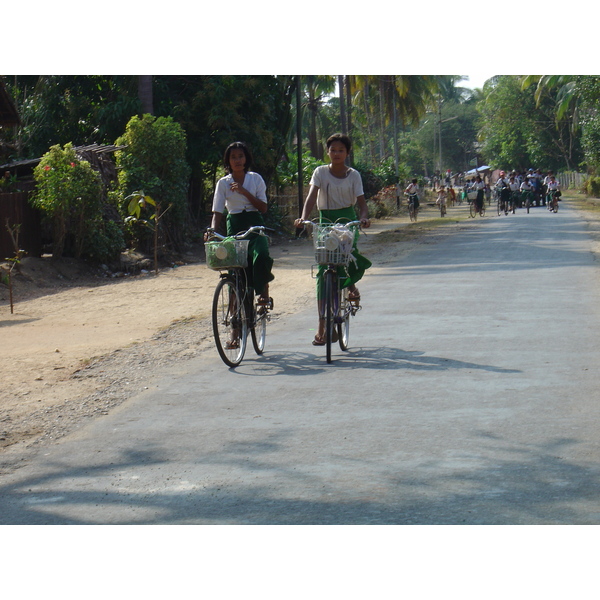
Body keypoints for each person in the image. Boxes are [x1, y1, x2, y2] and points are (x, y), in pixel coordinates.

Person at [294, 133, 371, 346]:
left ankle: (351, 286)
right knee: (323, 270)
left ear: (347, 153)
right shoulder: (320, 172)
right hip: (325, 222)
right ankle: (321, 327)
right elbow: (311, 198)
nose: (336, 154)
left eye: (341, 150)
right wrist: (304, 218)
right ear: (327, 151)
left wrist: (364, 218)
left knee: (346, 257)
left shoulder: (354, 175)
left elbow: (362, 204)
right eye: (333, 150)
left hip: (347, 220)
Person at [208, 141, 274, 306]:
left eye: (240, 156)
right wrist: (212, 231)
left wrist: (243, 191)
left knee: (261, 255)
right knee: (234, 265)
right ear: (228, 161)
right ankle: (234, 316)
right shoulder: (223, 183)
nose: (237, 160)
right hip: (235, 224)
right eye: (233, 157)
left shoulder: (256, 179)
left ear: (246, 159)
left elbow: (263, 207)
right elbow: (217, 212)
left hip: (254, 224)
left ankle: (264, 290)